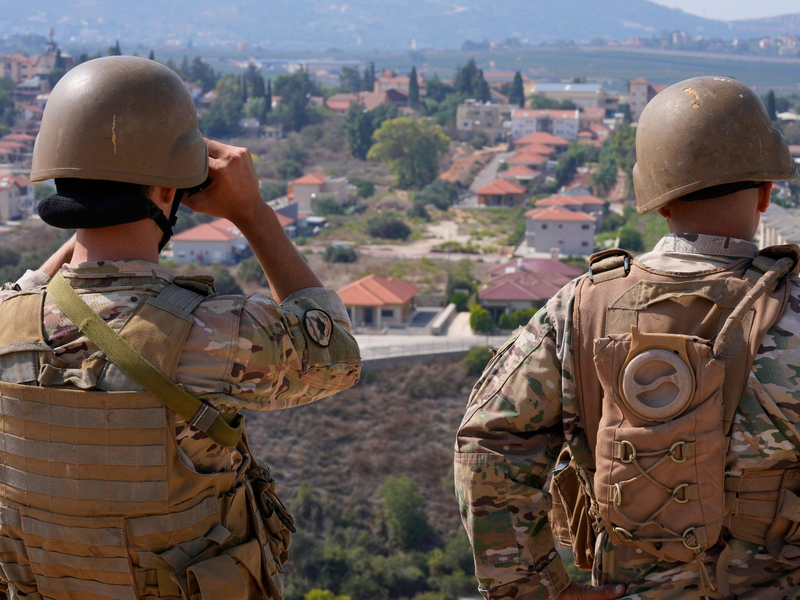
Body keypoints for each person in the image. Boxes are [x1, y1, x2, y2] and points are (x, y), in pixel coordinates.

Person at [0, 56, 360, 599]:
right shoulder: (221, 335)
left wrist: (95, 208)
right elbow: (336, 356)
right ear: (170, 192)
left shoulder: (6, 326)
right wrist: (252, 213)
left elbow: (22, 297)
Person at [455, 76, 800, 600]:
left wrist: (539, 590)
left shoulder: (579, 308)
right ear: (766, 192)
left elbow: (488, 446)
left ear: (659, 202)